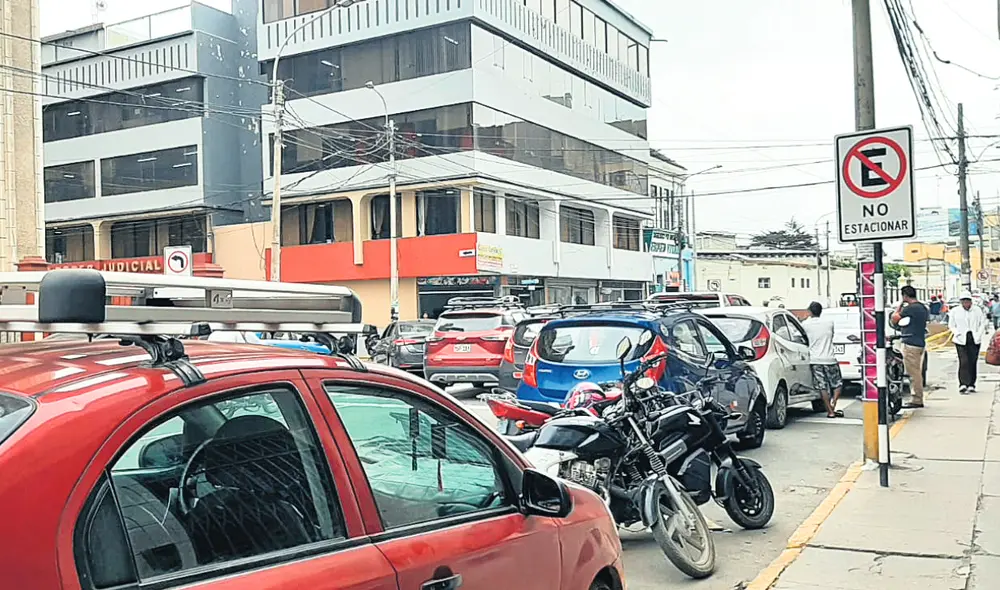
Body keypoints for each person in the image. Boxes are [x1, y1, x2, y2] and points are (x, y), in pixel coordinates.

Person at [802, 301, 844, 418]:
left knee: (822, 386)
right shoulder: (829, 323)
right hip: (830, 358)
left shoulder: (805, 324)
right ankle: (833, 403)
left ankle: (830, 411)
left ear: (810, 311)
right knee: (837, 383)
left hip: (815, 360)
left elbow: (799, 336)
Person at [891, 285, 929, 408]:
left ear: (905, 296)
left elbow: (895, 319)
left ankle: (917, 399)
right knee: (917, 371)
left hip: (910, 342)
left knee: (913, 373)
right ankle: (917, 397)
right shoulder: (922, 307)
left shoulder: (910, 309)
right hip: (919, 341)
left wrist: (900, 305)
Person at [949, 291, 990, 393]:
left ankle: (971, 383)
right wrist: (957, 333)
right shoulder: (955, 311)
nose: (966, 304)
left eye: (967, 301)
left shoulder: (977, 310)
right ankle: (963, 383)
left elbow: (982, 323)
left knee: (972, 361)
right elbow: (951, 325)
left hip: (974, 339)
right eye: (964, 301)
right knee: (963, 361)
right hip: (960, 339)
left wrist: (979, 333)